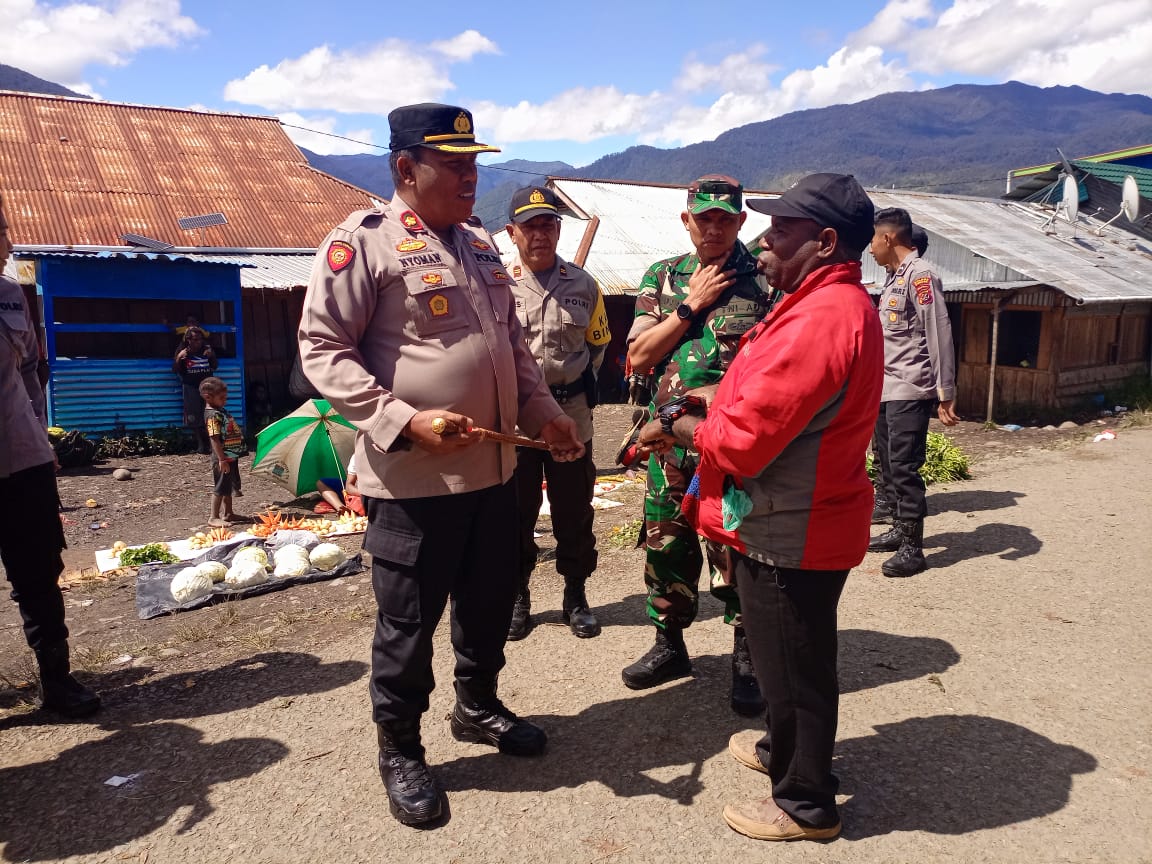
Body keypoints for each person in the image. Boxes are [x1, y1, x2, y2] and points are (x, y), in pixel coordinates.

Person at [297, 103, 583, 827]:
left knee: (488, 603)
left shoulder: (483, 246)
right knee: (409, 624)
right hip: (413, 486)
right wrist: (403, 421)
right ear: (405, 169)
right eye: (454, 164)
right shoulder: (362, 244)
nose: (471, 176)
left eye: (474, 162)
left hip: (493, 473)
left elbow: (512, 350)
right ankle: (400, 748)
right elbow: (322, 351)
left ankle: (477, 706)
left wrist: (545, 413)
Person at [637, 172, 884, 841]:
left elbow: (741, 443)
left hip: (790, 525)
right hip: (788, 512)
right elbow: (753, 393)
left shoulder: (823, 316)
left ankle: (806, 804)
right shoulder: (812, 302)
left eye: (780, 230)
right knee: (786, 659)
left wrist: (675, 423)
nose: (764, 242)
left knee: (795, 666)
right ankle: (785, 753)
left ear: (826, 241)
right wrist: (702, 400)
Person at [620, 175, 773, 717]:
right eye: (703, 217)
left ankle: (747, 655)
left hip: (732, 446)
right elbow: (638, 356)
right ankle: (670, 645)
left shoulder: (765, 282)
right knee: (667, 544)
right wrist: (688, 307)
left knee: (736, 546)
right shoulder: (662, 277)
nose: (713, 227)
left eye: (724, 218)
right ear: (686, 220)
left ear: (740, 222)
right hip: (668, 445)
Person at [0, 188, 101, 717]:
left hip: (22, 459)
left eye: (4, 229)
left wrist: (42, 434)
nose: (7, 242)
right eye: (0, 233)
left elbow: (29, 371)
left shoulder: (11, 295)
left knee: (40, 573)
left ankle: (57, 684)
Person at [503, 185, 612, 641]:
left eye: (547, 224)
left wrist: (568, 385)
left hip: (573, 415)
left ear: (558, 229)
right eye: (530, 226)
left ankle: (575, 594)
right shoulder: (498, 284)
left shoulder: (584, 285)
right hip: (516, 422)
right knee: (515, 512)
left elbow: (598, 345)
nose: (540, 234)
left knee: (574, 510)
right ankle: (517, 596)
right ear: (512, 233)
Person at [867, 207, 958, 577]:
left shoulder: (921, 276)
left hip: (910, 388)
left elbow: (939, 331)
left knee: (904, 468)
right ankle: (897, 531)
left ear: (888, 238)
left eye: (873, 239)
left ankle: (912, 548)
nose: (870, 248)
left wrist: (945, 390)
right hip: (887, 389)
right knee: (888, 465)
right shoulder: (893, 279)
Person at [199, 376, 246, 527]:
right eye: (222, 398)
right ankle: (213, 517)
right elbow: (214, 439)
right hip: (223, 457)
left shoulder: (219, 410)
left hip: (230, 455)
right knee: (220, 486)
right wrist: (222, 459)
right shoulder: (212, 416)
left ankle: (228, 513)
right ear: (208, 397)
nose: (225, 400)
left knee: (229, 485)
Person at [173, 325, 218, 453]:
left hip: (207, 388)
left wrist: (211, 356)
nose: (198, 342)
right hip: (190, 387)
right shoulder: (183, 351)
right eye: (195, 339)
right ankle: (200, 444)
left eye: (200, 339)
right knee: (193, 417)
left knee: (210, 416)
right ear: (188, 340)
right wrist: (179, 358)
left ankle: (212, 444)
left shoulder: (207, 349)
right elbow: (175, 370)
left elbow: (215, 367)